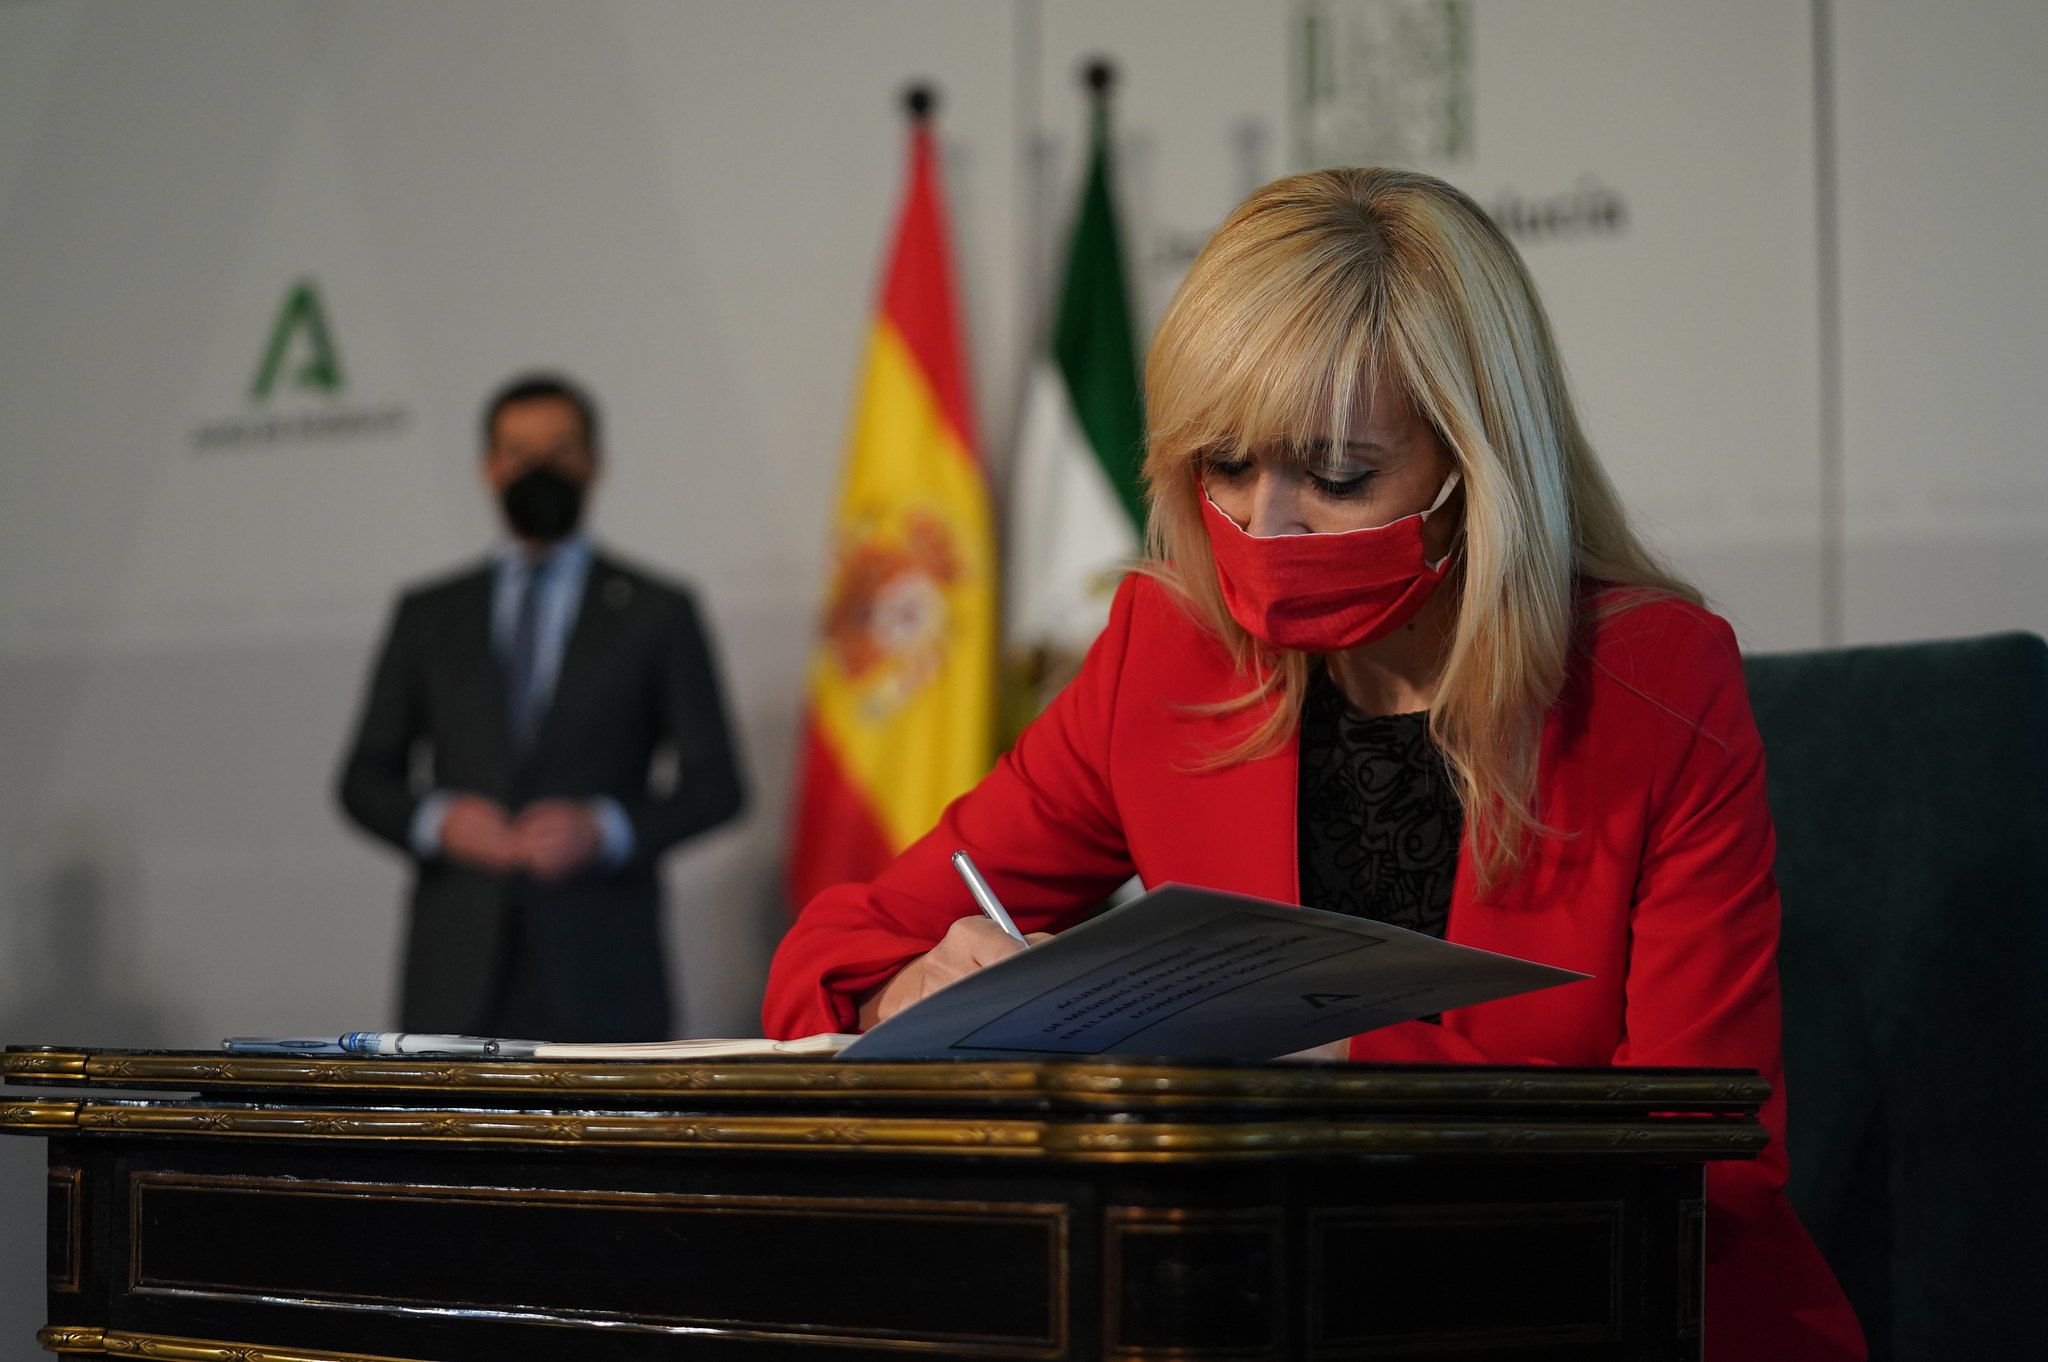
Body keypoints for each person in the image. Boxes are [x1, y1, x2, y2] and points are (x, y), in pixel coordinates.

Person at [764, 169, 1862, 1358]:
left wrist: (1330, 1055)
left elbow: (1707, 1150)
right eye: (1222, 467)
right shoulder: (1165, 658)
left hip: (1599, 1315)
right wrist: (905, 992)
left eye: (1336, 477)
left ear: (1472, 466)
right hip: (1259, 1306)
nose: (1263, 526)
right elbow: (827, 953)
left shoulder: (1656, 681)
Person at [339, 373, 745, 1042]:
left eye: (560, 449)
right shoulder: (429, 615)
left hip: (605, 971)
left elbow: (718, 786)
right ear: (488, 467)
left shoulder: (656, 611)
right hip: (454, 976)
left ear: (594, 462)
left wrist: (605, 827)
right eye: (518, 452)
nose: (538, 470)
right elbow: (363, 780)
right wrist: (440, 821)